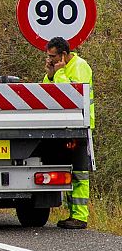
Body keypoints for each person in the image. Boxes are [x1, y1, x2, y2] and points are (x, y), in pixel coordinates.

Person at [43, 36, 95, 230]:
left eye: (52, 56)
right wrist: (50, 75)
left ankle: (80, 217)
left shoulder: (79, 66)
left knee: (80, 173)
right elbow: (48, 94)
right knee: (69, 172)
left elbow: (71, 95)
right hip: (63, 126)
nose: (49, 60)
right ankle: (73, 215)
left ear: (63, 55)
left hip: (80, 125)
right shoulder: (58, 70)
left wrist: (60, 72)